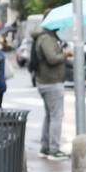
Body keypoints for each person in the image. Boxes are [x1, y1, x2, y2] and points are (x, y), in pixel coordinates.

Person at [34, 20, 71, 158]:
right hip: (51, 82)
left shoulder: (46, 37)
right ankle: (53, 149)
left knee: (50, 115)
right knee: (56, 116)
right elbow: (52, 58)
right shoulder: (46, 38)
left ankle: (45, 147)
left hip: (47, 81)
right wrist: (65, 54)